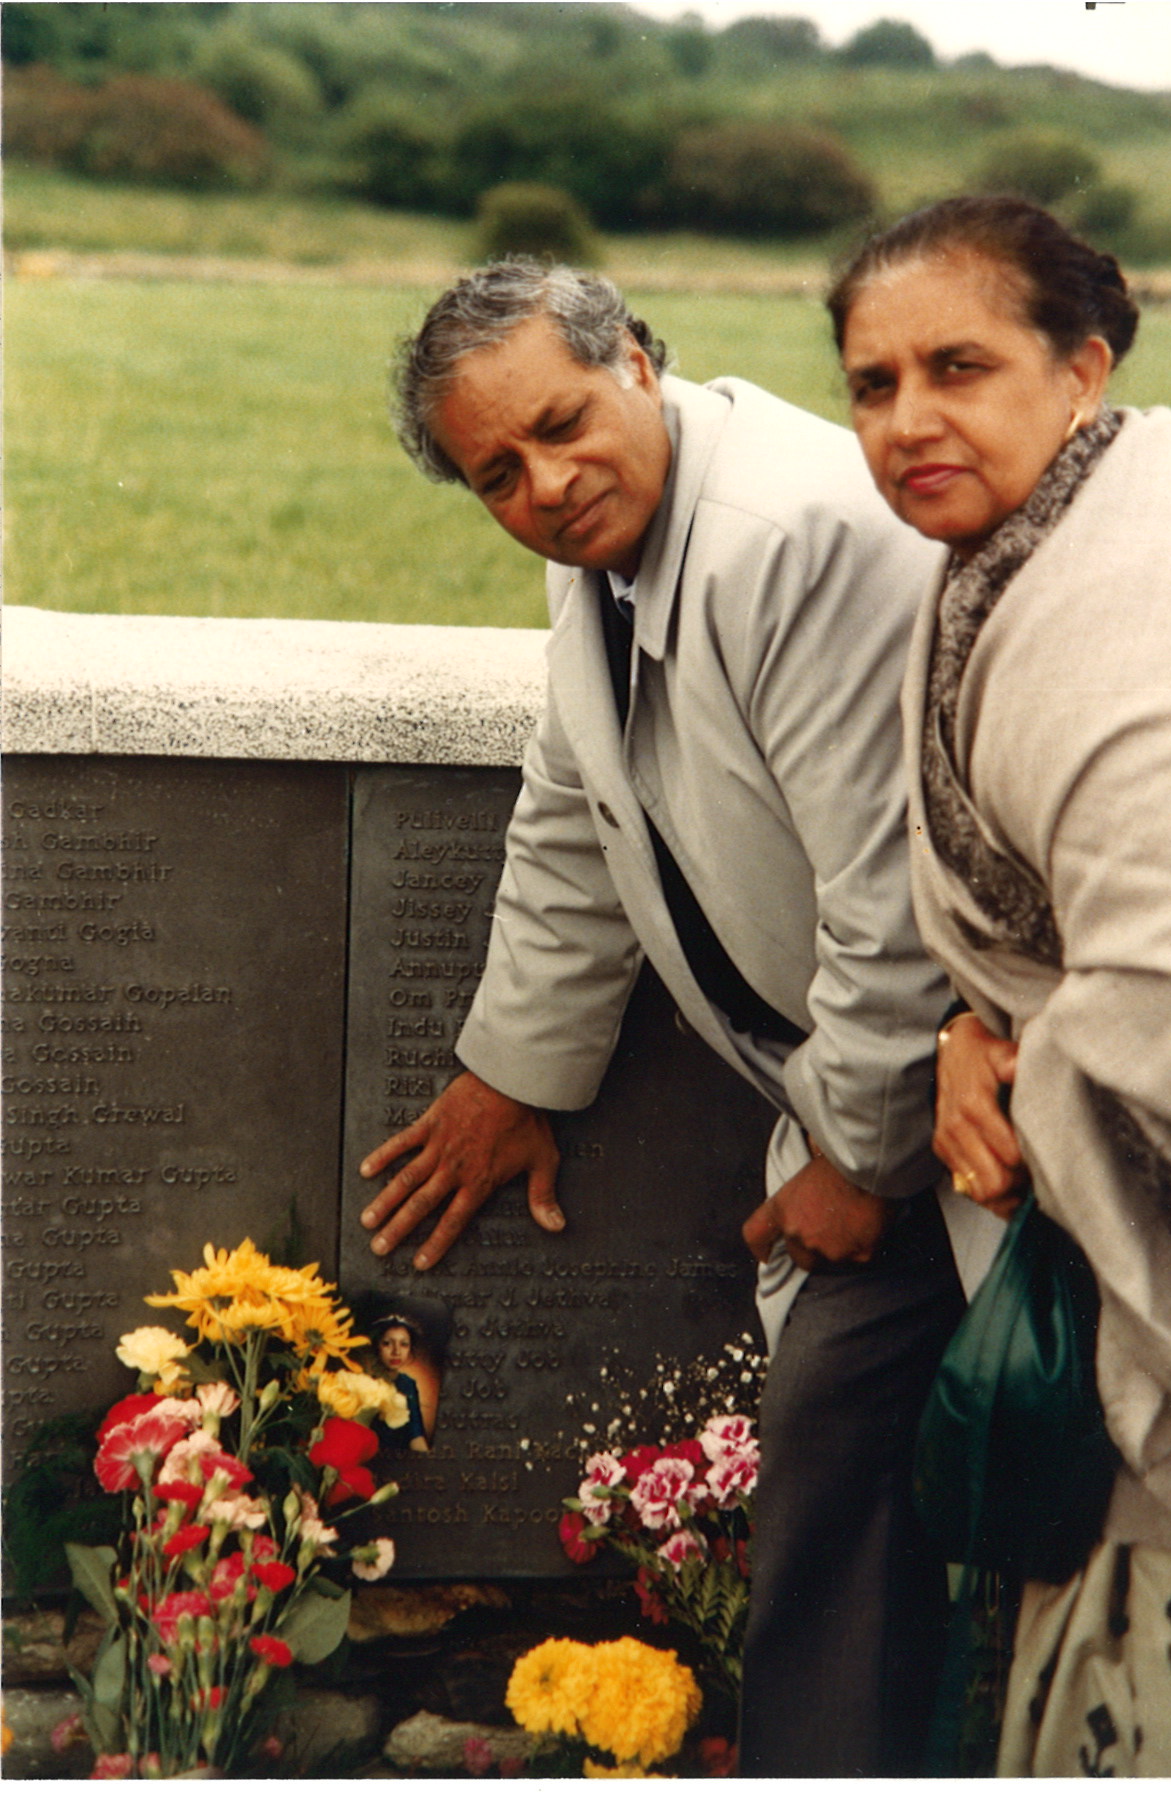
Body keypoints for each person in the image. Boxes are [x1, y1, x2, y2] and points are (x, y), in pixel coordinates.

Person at [359, 260, 970, 1775]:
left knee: (856, 1472)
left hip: (957, 1101)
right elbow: (577, 807)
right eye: (496, 472)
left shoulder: (785, 536)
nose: (547, 484)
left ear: (635, 357)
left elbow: (898, 893)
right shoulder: (614, 541)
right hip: (876, 1092)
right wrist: (514, 1069)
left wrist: (856, 1155)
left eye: (562, 424)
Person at [830, 195, 1171, 1777]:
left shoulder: (1132, 616)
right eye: (872, 382)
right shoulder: (1027, 547)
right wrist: (981, 1032)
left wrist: (1014, 1060)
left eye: (959, 367)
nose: (911, 419)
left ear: (1082, 369)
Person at [370, 1314, 430, 1452]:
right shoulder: (366, 1383)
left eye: (404, 1344)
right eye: (387, 1343)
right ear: (377, 1346)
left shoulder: (408, 1384)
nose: (396, 1351)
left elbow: (415, 1432)